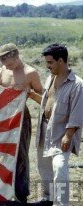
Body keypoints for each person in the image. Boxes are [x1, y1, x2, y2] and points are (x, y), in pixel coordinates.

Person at [0, 43, 43, 203]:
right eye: (5, 64)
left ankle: (21, 194)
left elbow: (45, 100)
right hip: (3, 115)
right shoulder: (4, 69)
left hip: (21, 117)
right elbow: (0, 87)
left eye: (10, 63)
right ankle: (2, 190)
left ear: (17, 56)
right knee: (1, 152)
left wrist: (30, 94)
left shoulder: (30, 73)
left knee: (20, 155)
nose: (8, 67)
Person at [36, 44, 83, 205]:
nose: (47, 66)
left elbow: (77, 113)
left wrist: (68, 136)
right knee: (44, 168)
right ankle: (48, 199)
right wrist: (28, 94)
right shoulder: (50, 78)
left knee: (59, 168)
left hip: (62, 133)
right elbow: (47, 103)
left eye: (50, 62)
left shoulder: (77, 85)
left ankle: (61, 204)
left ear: (61, 61)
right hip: (45, 129)